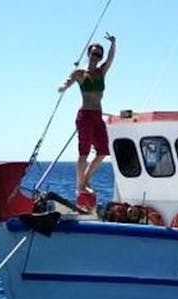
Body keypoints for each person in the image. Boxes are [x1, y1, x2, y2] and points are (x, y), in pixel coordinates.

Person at [58, 33, 116, 194]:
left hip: (97, 116)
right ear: (88, 54)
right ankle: (80, 186)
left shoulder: (101, 72)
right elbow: (68, 80)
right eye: (93, 53)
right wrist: (63, 87)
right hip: (85, 116)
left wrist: (113, 44)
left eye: (98, 54)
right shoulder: (80, 73)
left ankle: (85, 179)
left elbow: (110, 60)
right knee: (83, 152)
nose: (95, 56)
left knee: (104, 151)